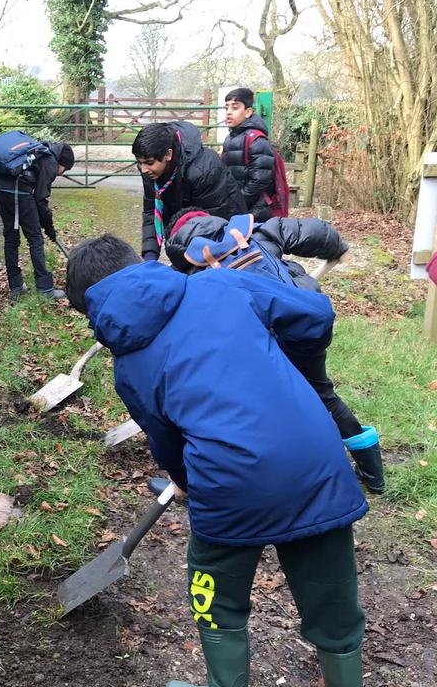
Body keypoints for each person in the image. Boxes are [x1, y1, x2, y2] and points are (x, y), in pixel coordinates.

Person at [66, 234, 371, 687]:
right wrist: (292, 364)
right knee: (333, 600)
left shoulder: (129, 366)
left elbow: (164, 440)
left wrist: (184, 477)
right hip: (314, 460)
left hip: (231, 487)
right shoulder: (222, 285)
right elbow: (315, 313)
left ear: (92, 306)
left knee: (213, 586)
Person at [163, 209, 385, 493]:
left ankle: (258, 478)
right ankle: (373, 474)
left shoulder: (190, 273)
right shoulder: (256, 233)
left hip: (253, 343)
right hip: (303, 323)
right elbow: (312, 231)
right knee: (322, 394)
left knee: (252, 406)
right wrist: (337, 247)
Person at [132, 121, 245, 261]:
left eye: (149, 163)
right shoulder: (151, 171)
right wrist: (150, 258)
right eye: (139, 162)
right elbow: (151, 211)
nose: (143, 169)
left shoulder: (204, 170)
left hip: (224, 228)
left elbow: (212, 227)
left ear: (168, 154)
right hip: (187, 225)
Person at [0, 140, 75, 301]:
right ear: (61, 162)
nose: (62, 173)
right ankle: (45, 289)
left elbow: (37, 199)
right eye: (65, 169)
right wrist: (48, 227)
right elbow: (41, 199)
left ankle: (16, 286)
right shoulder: (50, 161)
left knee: (11, 237)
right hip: (18, 192)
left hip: (0, 187)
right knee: (35, 238)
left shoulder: (38, 150)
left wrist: (45, 223)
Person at [221, 87, 276, 222]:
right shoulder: (230, 138)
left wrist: (239, 202)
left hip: (254, 212)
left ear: (248, 112)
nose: (228, 112)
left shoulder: (257, 140)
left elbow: (260, 180)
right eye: (226, 108)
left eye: (235, 108)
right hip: (236, 208)